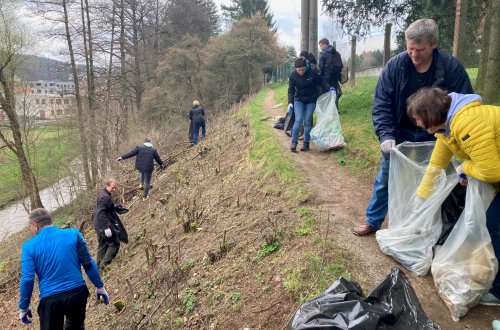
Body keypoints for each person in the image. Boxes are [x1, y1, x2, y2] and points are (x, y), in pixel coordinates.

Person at [351, 18, 473, 236]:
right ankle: (373, 220)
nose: (414, 54)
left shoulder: (451, 68)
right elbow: (382, 103)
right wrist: (386, 135)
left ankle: (433, 229)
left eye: (420, 49)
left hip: (437, 136)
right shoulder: (396, 66)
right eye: (410, 48)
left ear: (433, 44)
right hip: (400, 133)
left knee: (439, 179)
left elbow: (465, 105)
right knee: (386, 177)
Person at [407, 87, 500, 306]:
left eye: (418, 118)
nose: (417, 124)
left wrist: (465, 167)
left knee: (493, 226)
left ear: (430, 115)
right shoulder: (446, 129)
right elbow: (435, 167)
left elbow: (491, 171)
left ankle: (497, 292)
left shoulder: (465, 122)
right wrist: (420, 201)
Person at [18, 208, 109, 329]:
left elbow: (27, 279)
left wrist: (24, 306)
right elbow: (88, 263)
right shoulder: (74, 234)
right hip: (77, 293)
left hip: (51, 299)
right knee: (76, 326)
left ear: (35, 225)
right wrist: (100, 286)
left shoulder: (28, 247)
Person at [288, 57, 334, 152]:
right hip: (299, 100)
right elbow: (291, 91)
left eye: (303, 69)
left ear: (306, 67)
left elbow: (321, 81)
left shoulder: (312, 73)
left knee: (307, 121)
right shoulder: (293, 76)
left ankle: (306, 143)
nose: (301, 72)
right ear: (295, 69)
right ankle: (293, 142)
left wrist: (330, 88)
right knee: (298, 119)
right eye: (299, 70)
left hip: (311, 100)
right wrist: (290, 103)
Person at [93, 178, 122, 270]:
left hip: (97, 224)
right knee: (114, 243)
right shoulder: (105, 197)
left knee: (102, 245)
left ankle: (98, 269)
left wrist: (117, 208)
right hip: (103, 225)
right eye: (112, 188)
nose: (114, 190)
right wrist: (106, 228)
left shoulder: (103, 193)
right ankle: (103, 265)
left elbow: (105, 208)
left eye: (115, 188)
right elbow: (101, 212)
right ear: (107, 186)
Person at [318, 38, 343, 108]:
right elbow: (341, 65)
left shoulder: (323, 53)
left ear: (325, 44)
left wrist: (318, 77)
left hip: (325, 77)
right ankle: (335, 110)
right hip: (335, 76)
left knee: (324, 94)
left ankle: (325, 110)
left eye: (321, 46)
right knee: (334, 92)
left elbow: (320, 67)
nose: (320, 48)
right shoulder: (337, 53)